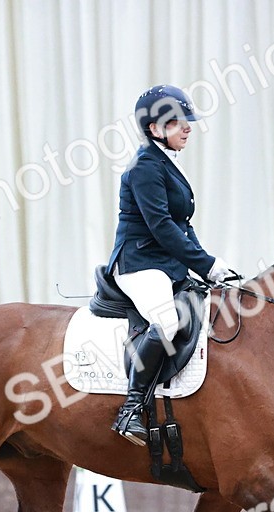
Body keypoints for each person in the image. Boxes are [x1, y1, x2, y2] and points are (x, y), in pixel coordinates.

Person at [105, 84, 234, 445]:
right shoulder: (145, 165)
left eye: (187, 121)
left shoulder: (166, 162)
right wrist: (205, 264)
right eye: (178, 122)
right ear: (154, 128)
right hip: (139, 263)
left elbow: (182, 226)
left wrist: (210, 264)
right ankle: (130, 410)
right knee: (166, 319)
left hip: (163, 262)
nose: (188, 128)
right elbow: (161, 227)